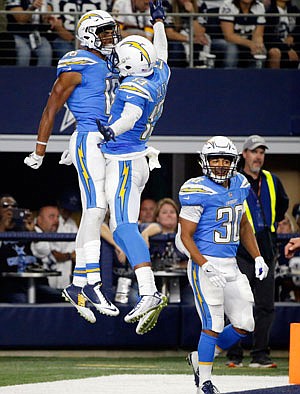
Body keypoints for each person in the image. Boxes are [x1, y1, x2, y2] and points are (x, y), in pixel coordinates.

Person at [24, 10, 121, 324]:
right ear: (90, 35)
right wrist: (40, 149)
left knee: (101, 213)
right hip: (88, 138)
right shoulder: (76, 62)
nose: (110, 37)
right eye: (105, 32)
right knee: (94, 209)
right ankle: (90, 283)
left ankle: (79, 284)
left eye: (111, 31)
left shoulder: (112, 61)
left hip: (110, 141)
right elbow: (52, 105)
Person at [97, 0, 170, 335]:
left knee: (125, 228)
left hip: (126, 160)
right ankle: (147, 288)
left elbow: (131, 116)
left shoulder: (133, 86)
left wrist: (112, 130)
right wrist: (158, 22)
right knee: (116, 223)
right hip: (133, 158)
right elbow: (162, 51)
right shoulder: (159, 72)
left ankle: (149, 291)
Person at [176, 136, 269, 394]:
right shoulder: (196, 190)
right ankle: (204, 382)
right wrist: (204, 265)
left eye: (224, 159)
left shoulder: (240, 183)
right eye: (214, 159)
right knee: (213, 324)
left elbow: (243, 224)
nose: (219, 164)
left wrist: (258, 256)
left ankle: (200, 357)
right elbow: (185, 236)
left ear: (233, 161)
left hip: (231, 264)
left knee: (245, 323)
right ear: (204, 161)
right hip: (205, 264)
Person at [226, 134, 289, 368]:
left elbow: (282, 204)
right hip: (240, 248)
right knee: (238, 301)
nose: (258, 156)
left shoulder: (272, 180)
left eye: (262, 152)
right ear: (244, 154)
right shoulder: (233, 180)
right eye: (254, 152)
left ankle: (260, 355)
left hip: (267, 246)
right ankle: (234, 355)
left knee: (265, 305)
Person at [0, 195, 62, 303]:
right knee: (21, 301)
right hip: (8, 285)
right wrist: (2, 227)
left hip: (37, 284)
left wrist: (32, 232)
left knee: (64, 297)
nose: (10, 208)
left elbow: (43, 252)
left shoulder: (26, 228)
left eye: (14, 206)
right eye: (5, 205)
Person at [219, 0, 266, 68]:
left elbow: (258, 34)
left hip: (247, 42)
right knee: (232, 49)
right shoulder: (227, 5)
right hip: (224, 41)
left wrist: (258, 44)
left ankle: (255, 76)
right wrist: (250, 44)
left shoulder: (259, 6)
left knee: (261, 49)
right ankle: (229, 76)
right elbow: (228, 36)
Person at [164, 0, 210, 68]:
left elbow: (200, 33)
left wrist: (192, 14)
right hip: (178, 38)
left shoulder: (200, 4)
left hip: (195, 37)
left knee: (203, 41)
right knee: (176, 48)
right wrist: (190, 39)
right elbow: (169, 33)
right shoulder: (168, 4)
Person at [6, 0, 52, 66]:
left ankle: (41, 76)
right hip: (18, 34)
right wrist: (32, 8)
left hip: (38, 35)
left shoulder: (45, 1)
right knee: (24, 52)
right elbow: (21, 20)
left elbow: (46, 19)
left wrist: (50, 19)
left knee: (46, 52)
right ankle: (21, 75)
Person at [264, 0, 300, 68]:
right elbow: (269, 36)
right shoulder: (270, 12)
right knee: (275, 52)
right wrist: (287, 49)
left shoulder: (294, 10)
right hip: (277, 45)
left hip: (294, 44)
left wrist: (292, 36)